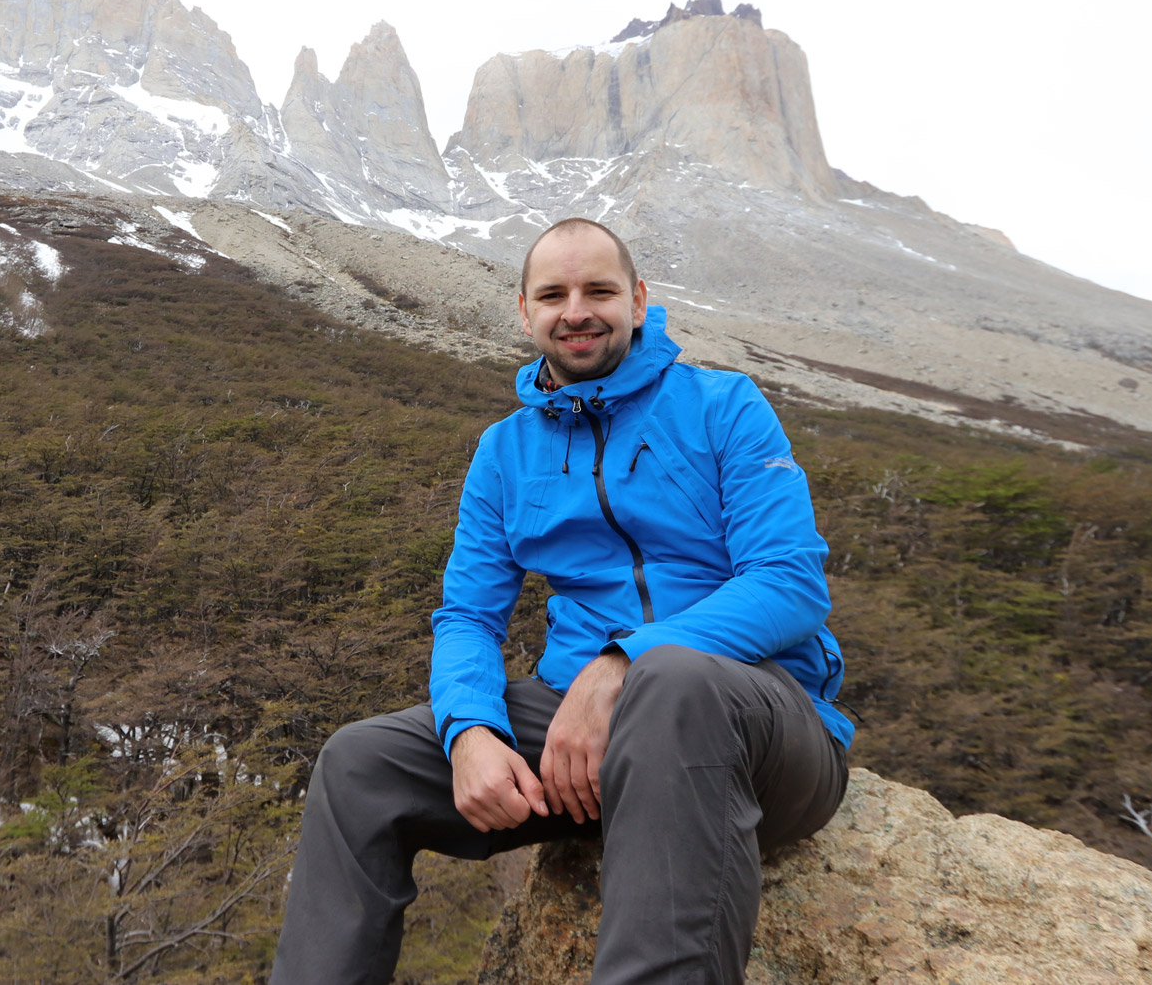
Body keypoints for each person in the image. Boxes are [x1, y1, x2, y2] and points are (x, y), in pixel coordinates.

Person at [269, 218, 852, 985]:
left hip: (754, 727)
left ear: (639, 301)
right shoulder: (504, 450)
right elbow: (469, 616)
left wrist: (622, 663)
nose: (576, 309)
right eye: (553, 294)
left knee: (674, 681)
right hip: (586, 745)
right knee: (358, 765)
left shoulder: (724, 405)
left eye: (599, 290)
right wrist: (470, 729)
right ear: (525, 312)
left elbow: (789, 580)